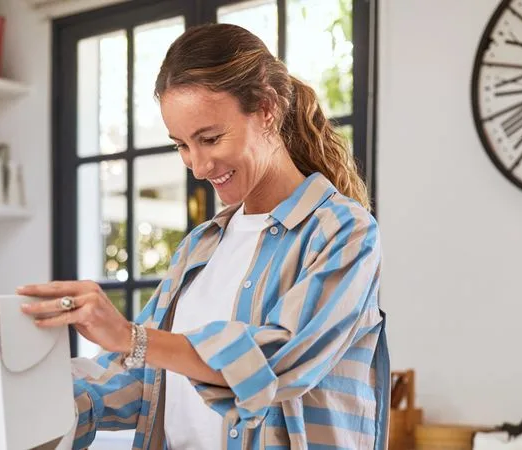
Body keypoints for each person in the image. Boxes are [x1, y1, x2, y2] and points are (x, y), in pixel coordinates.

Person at [23, 22, 389, 450]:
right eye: (181, 145)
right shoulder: (201, 245)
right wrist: (20, 395)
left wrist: (131, 337)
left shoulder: (343, 232)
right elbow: (144, 379)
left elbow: (277, 362)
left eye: (210, 138)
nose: (197, 167)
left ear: (267, 109)